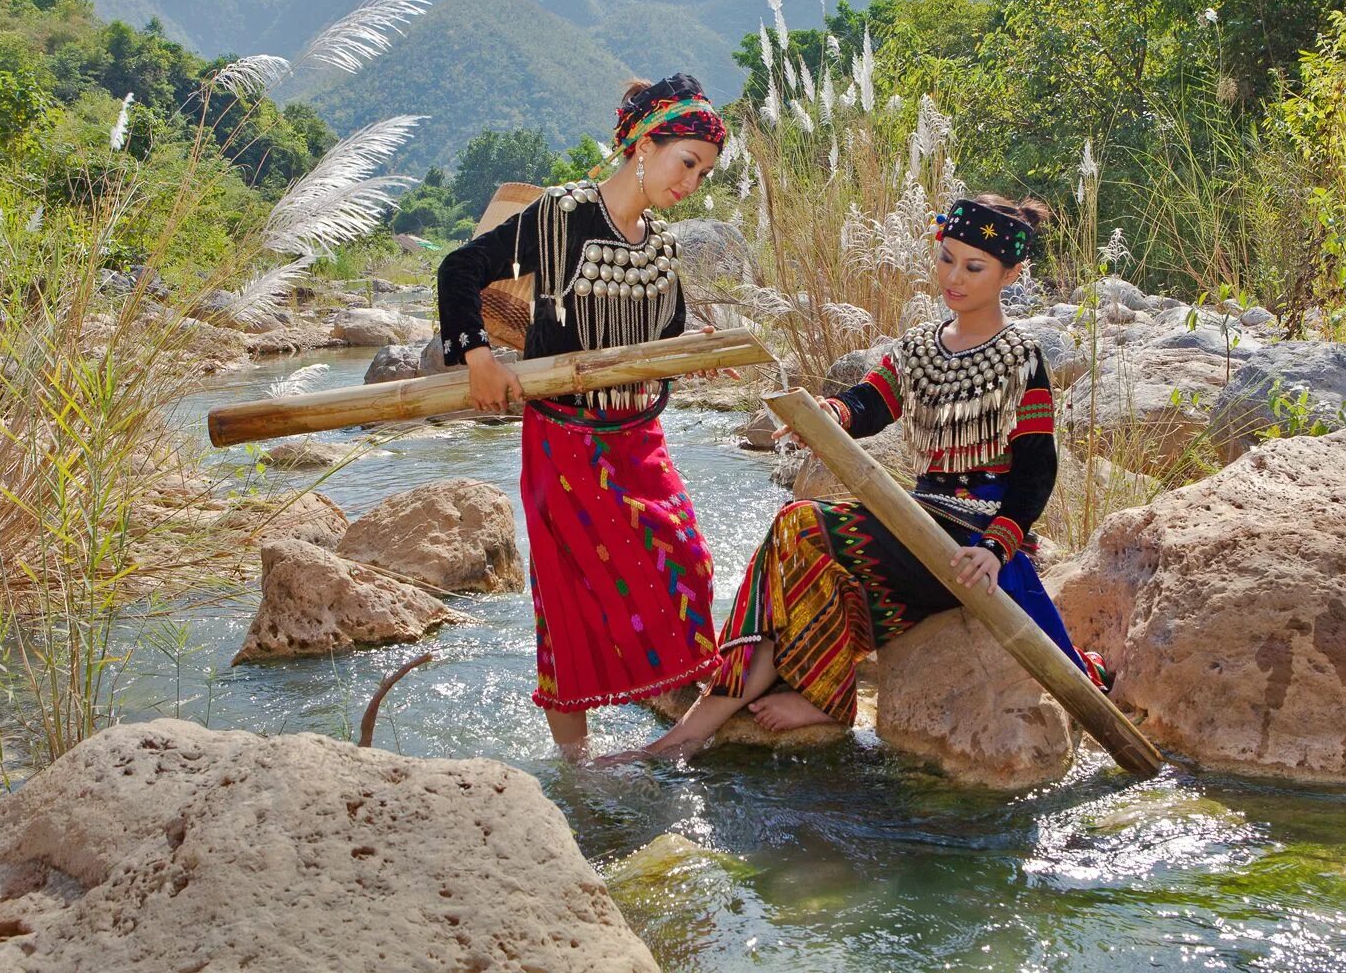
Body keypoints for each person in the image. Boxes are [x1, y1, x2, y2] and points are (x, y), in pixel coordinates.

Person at [636, 193, 1105, 757]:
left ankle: (732, 711)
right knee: (807, 557)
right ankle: (752, 693)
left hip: (969, 542)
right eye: (946, 258)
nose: (953, 277)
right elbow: (868, 403)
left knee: (800, 524)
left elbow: (1037, 468)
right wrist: (824, 415)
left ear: (1011, 274)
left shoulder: (1019, 357)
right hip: (921, 522)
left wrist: (1000, 547)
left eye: (973, 267)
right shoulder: (919, 349)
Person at [435, 73, 728, 760]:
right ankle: (579, 770)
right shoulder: (561, 216)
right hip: (566, 446)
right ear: (645, 145)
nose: (692, 184)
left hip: (641, 440)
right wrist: (477, 357)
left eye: (704, 173)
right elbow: (459, 269)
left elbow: (664, 338)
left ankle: (674, 718)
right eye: (687, 163)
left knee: (688, 564)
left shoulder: (661, 245)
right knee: (571, 605)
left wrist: (699, 354)